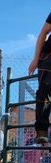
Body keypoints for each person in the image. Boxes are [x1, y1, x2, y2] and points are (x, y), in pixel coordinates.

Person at [30, 12, 51, 144]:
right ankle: (42, 131)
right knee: (45, 89)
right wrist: (35, 59)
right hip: (49, 56)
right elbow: (44, 32)